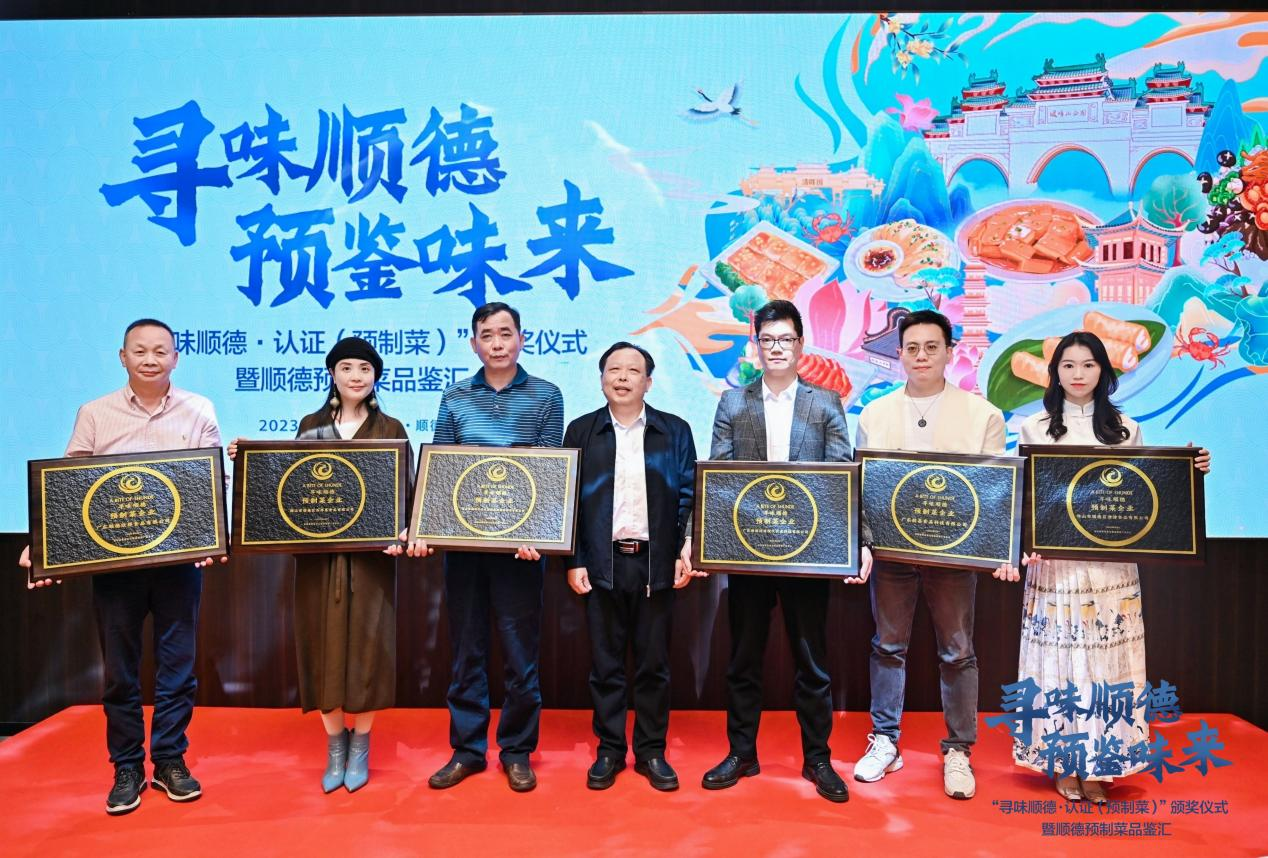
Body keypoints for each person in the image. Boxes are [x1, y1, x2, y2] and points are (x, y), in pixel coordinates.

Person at [20, 319, 225, 815]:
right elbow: (68, 488)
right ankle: (127, 766)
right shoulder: (95, 413)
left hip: (179, 563)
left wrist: (214, 535)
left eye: (160, 351)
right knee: (119, 673)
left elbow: (214, 480)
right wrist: (42, 545)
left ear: (176, 358)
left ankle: (170, 761)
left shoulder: (199, 408)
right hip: (116, 568)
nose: (150, 359)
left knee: (178, 669)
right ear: (122, 356)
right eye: (140, 350)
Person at [1014, 330, 1211, 803]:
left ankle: (1101, 765)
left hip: (1111, 569)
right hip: (1056, 569)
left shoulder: (1126, 429)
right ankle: (1064, 762)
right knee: (1060, 661)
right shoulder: (1032, 428)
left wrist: (1190, 468)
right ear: (1055, 373)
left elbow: (1143, 495)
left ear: (1104, 371)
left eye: (1088, 364)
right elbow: (1023, 497)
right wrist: (1023, 545)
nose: (1078, 374)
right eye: (1068, 365)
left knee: (1106, 664)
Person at [699, 299, 871, 803]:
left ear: (801, 345)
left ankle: (818, 759)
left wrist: (856, 541)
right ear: (756, 346)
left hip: (808, 555)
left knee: (812, 663)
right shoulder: (734, 403)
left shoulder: (825, 403)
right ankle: (741, 753)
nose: (776, 348)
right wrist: (702, 539)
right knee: (742, 659)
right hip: (748, 552)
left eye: (786, 340)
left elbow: (842, 478)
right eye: (767, 340)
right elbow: (719, 476)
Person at [228, 336, 407, 793]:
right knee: (319, 645)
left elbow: (404, 496)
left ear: (376, 377)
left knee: (368, 649)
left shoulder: (391, 429)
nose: (356, 377)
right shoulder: (310, 426)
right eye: (346, 368)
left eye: (365, 369)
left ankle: (361, 744)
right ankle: (334, 747)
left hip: (371, 563)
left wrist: (401, 533)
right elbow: (292, 487)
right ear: (332, 373)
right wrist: (252, 459)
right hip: (316, 562)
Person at [852, 308, 1018, 801]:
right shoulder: (874, 413)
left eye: (931, 347)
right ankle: (885, 740)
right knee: (887, 646)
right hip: (891, 556)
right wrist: (863, 544)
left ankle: (959, 750)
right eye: (911, 348)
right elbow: (863, 488)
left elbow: (995, 494)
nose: (921, 356)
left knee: (957, 651)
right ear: (899, 354)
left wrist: (1000, 549)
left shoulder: (983, 415)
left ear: (950, 352)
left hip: (955, 558)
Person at [409, 302, 564, 793]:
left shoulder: (546, 395)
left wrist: (538, 533)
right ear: (473, 343)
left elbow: (548, 471)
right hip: (465, 546)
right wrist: (428, 527)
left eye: (505, 333)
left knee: (521, 654)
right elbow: (441, 468)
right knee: (466, 650)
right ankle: (468, 750)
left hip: (521, 548)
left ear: (521, 339)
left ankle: (517, 751)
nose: (497, 343)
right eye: (487, 335)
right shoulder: (455, 396)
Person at [563, 341, 698, 792]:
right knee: (605, 665)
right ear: (602, 378)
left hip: (655, 563)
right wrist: (576, 560)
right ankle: (609, 749)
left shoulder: (674, 430)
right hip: (601, 562)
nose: (622, 377)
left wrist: (682, 551)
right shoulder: (582, 430)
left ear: (649, 382)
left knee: (653, 664)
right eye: (613, 370)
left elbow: (688, 495)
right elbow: (569, 502)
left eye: (633, 371)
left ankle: (652, 751)